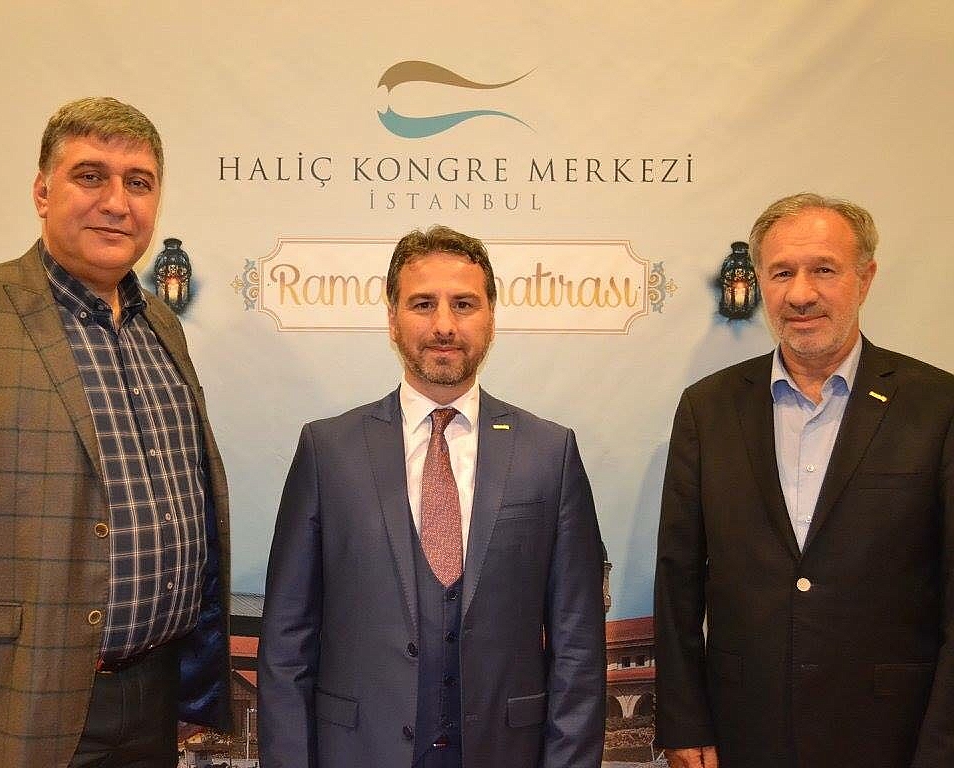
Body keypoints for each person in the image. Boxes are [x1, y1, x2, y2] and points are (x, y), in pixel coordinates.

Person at [0, 97, 232, 767]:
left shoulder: (162, 326)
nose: (116, 202)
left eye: (138, 182)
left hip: (155, 698)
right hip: (21, 700)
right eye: (90, 176)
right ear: (42, 192)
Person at [258, 225, 607, 768]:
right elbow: (286, 643)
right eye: (423, 304)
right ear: (392, 319)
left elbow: (578, 648)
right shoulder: (327, 451)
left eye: (464, 304)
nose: (444, 325)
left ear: (491, 318)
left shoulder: (550, 453)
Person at [654, 193, 954, 768]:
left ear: (865, 279)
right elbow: (678, 579)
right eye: (782, 272)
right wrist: (684, 722)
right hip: (744, 732)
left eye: (824, 270)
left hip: (893, 734)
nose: (800, 294)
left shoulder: (937, 407)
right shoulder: (708, 408)